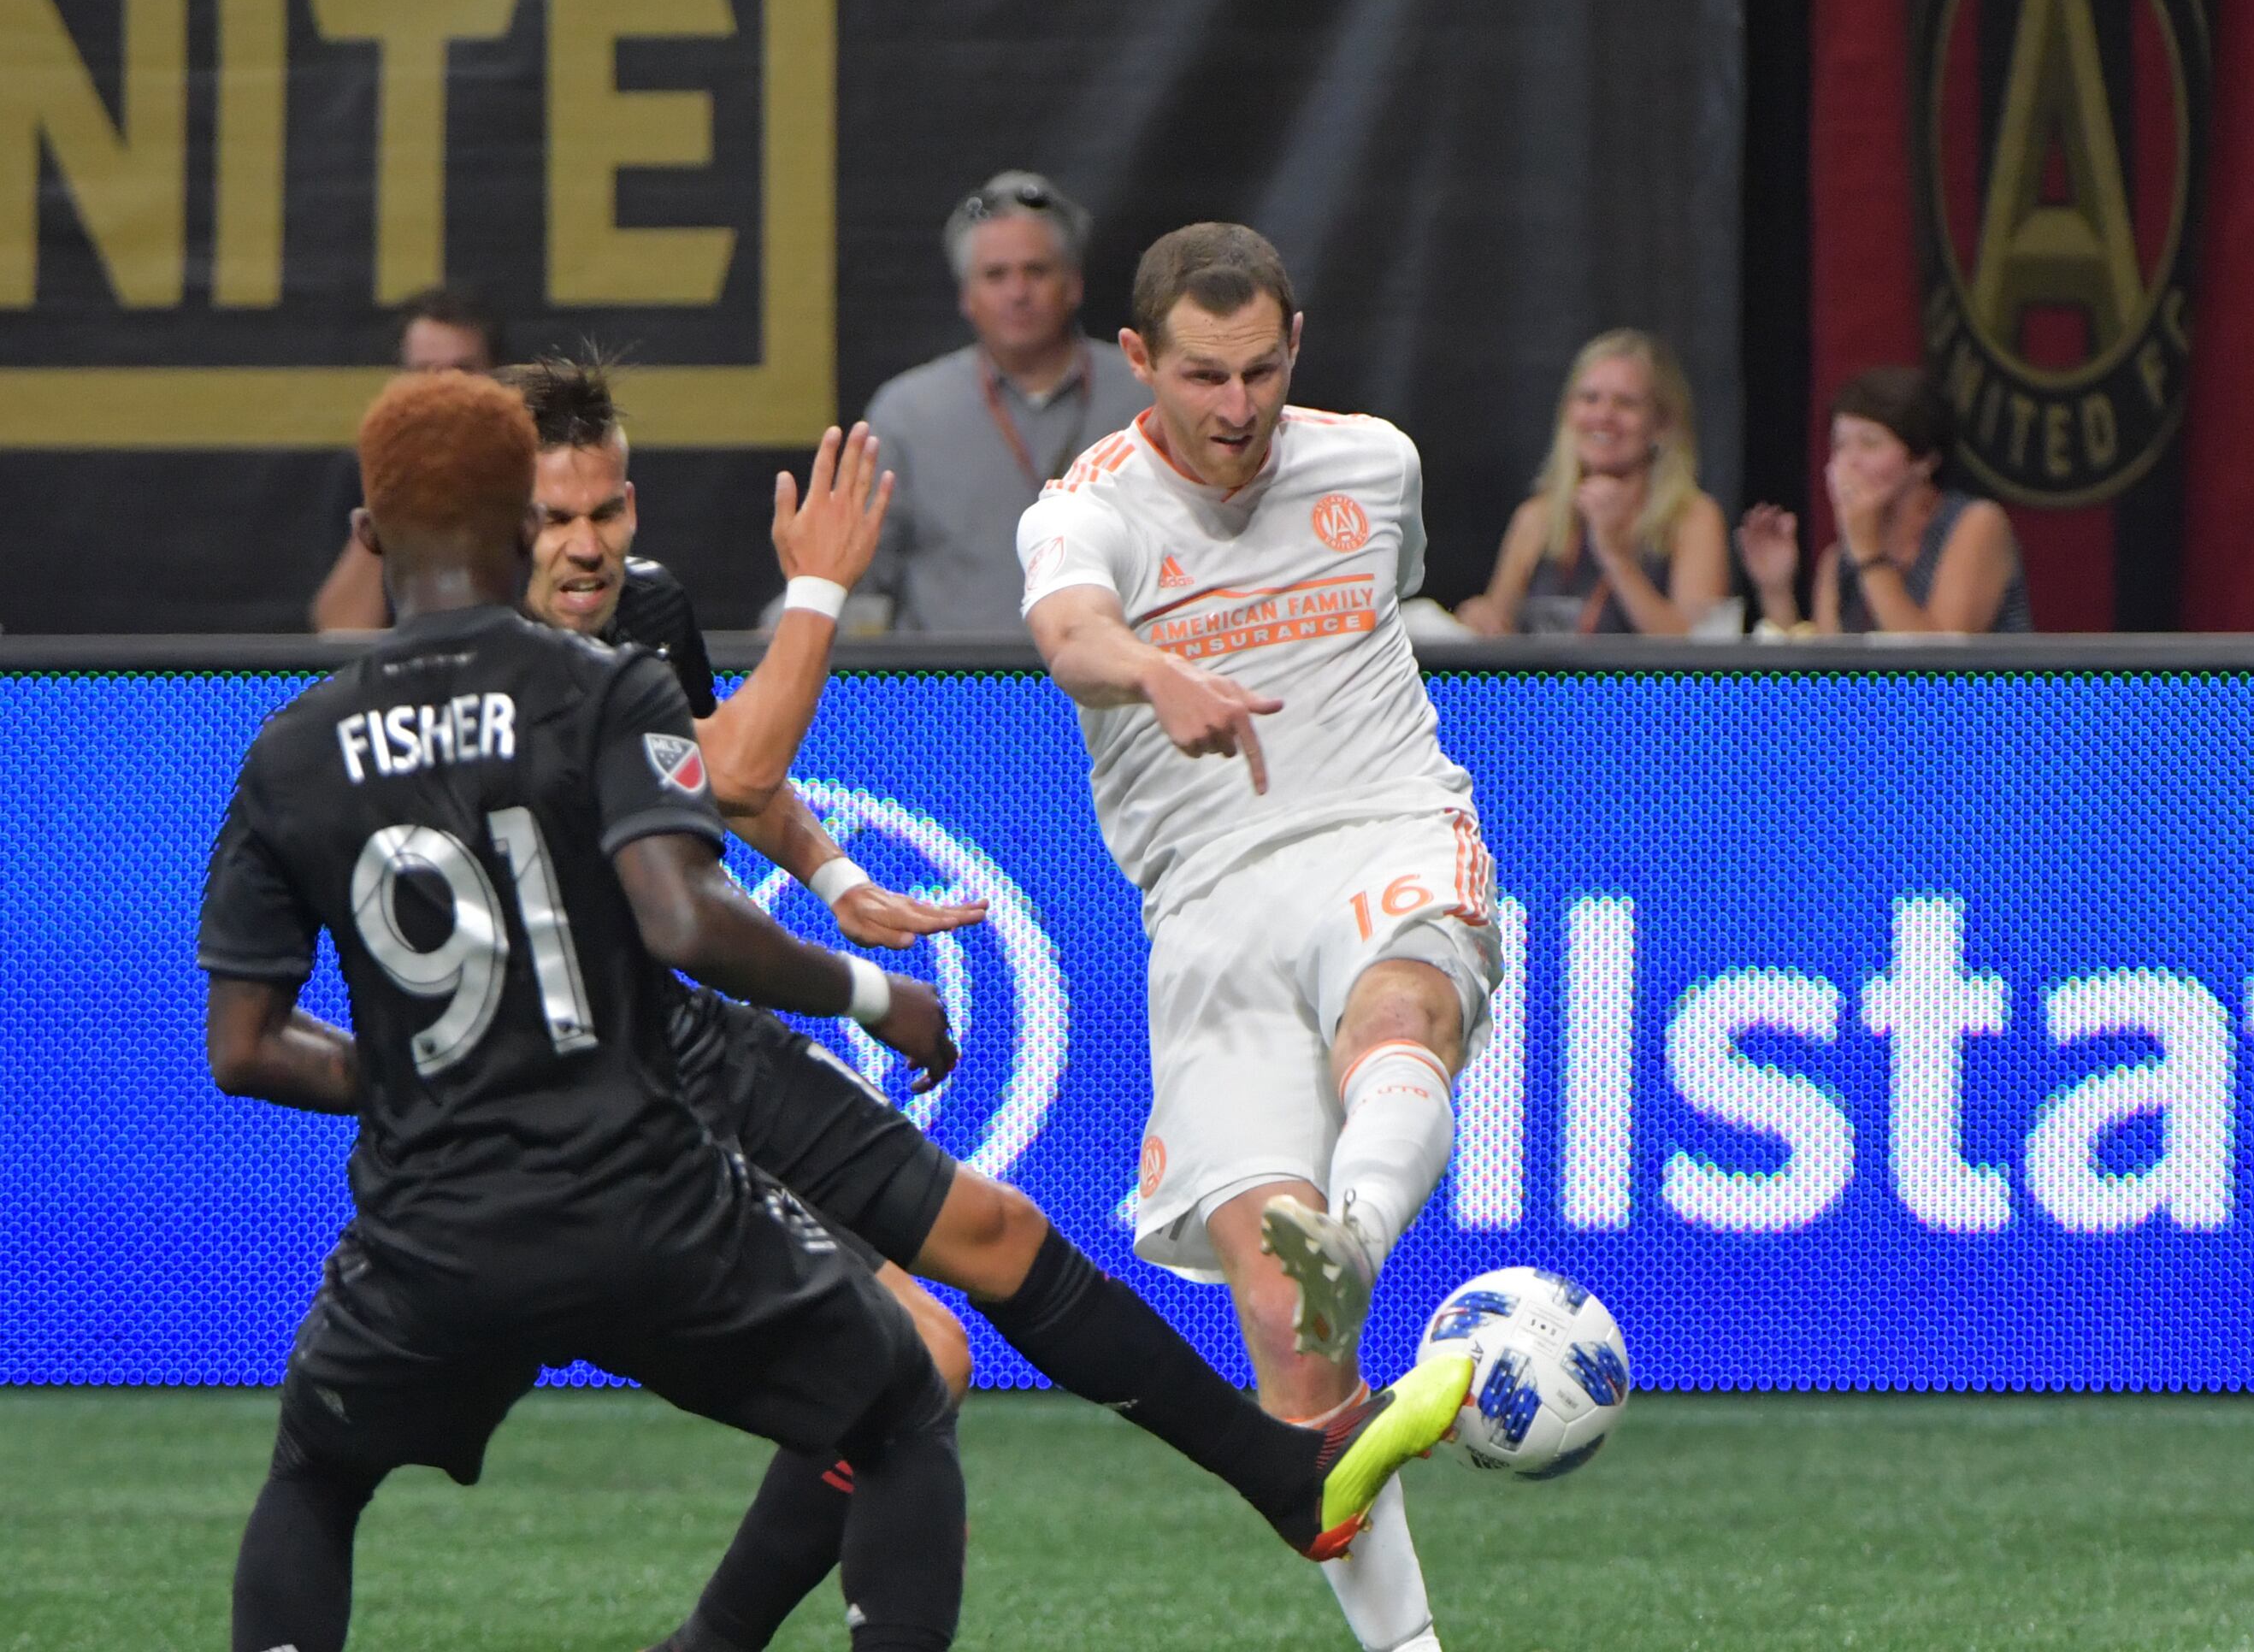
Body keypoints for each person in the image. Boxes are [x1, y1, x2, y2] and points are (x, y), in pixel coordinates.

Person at [466, 358, 1472, 1652]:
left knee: (990, 1243)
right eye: (555, 520)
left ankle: (1289, 1476)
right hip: (567, 1091)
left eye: (607, 510)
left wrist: (835, 878)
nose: (588, 544)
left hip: (681, 1038)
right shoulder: (482, 663)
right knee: (916, 1359)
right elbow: (742, 758)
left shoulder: (641, 608)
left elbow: (719, 775)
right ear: (500, 520)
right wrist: (821, 589)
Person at [198, 369, 971, 1652]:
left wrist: (417, 1075)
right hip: (644, 1203)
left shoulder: (290, 753)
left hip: (434, 1231)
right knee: (897, 1405)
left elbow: (242, 1048)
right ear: (522, 524)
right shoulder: (603, 688)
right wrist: (874, 990)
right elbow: (681, 916)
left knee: (318, 1480)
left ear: (369, 535)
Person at [1020, 221, 1501, 1652]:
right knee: (1293, 1348)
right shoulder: (1085, 506)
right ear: (1137, 362)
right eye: (1202, 377)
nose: (1236, 410)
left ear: (1298, 340)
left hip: (1384, 827)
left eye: (1261, 371)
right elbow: (1067, 633)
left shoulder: (1375, 461)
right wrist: (1151, 667)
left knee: (1399, 1017)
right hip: (1207, 901)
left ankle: (1359, 1224)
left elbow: (1397, 582)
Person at [853, 170, 1151, 633]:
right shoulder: (909, 412)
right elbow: (859, 575)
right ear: (966, 297)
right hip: (955, 695)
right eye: (996, 275)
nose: (1017, 293)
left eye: (1036, 271)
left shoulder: (1145, 394)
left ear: (1074, 285)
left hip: (1121, 688)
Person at [1455, 328, 1732, 635]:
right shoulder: (1536, 518)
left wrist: (1615, 556)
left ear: (1661, 424)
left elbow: (1696, 655)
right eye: (1589, 399)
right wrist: (1478, 620)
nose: (1603, 415)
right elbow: (1497, 633)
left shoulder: (1693, 518)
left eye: (1625, 403)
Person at [1737, 365, 2031, 634]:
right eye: (1840, 445)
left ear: (1924, 460)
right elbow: (1821, 681)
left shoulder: (1975, 524)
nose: (1848, 462)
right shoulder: (1839, 562)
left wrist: (1869, 553)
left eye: (1870, 443)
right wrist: (1776, 590)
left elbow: (1936, 668)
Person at [309, 285, 510, 632]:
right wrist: (393, 489)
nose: (446, 389)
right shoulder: (362, 474)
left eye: (464, 370)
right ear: (400, 383)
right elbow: (341, 634)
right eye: (426, 372)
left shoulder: (538, 467)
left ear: (498, 377)